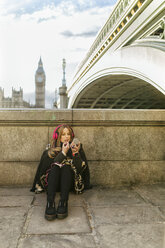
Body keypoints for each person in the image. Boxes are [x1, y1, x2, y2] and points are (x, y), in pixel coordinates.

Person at [30, 124, 91, 221]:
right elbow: (46, 169)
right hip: (52, 184)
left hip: (69, 184)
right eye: (63, 134)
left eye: (68, 134)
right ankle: (50, 203)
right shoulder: (50, 150)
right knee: (56, 167)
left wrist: (76, 153)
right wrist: (63, 153)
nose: (66, 137)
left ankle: (63, 202)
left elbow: (80, 170)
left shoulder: (76, 148)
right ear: (57, 136)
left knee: (66, 167)